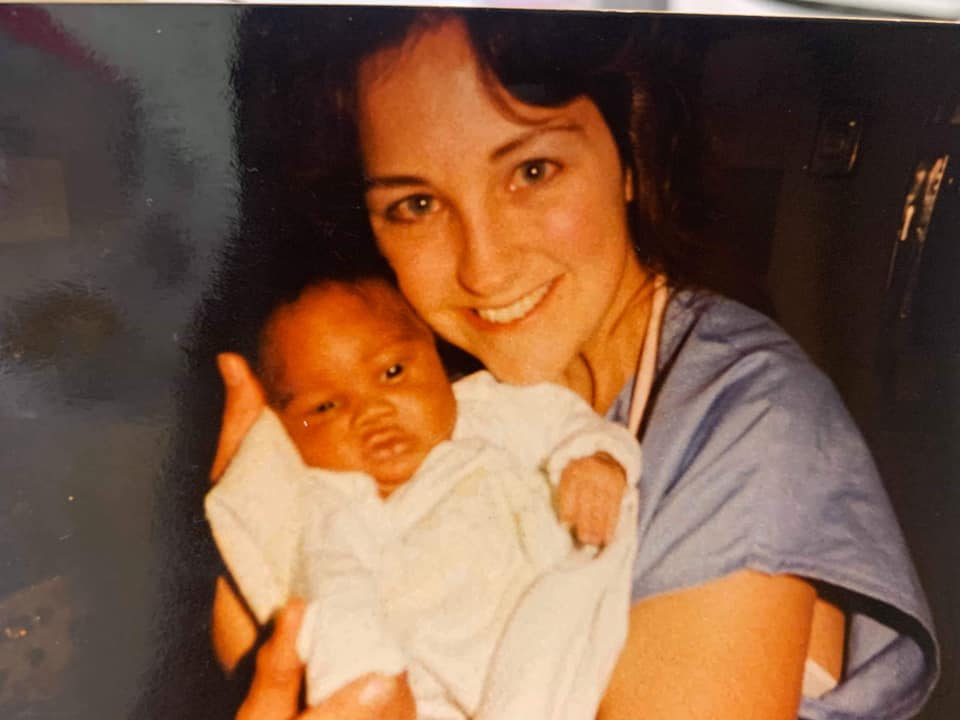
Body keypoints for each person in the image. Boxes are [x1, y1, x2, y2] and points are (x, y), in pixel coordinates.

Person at [209, 8, 938, 720]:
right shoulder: (444, 395)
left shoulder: (747, 424)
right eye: (417, 203)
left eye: (531, 169)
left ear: (630, 150)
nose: (485, 269)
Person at [206, 276, 642, 718]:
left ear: (435, 356)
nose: (372, 412)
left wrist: (596, 460)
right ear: (283, 431)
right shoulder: (334, 506)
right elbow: (338, 592)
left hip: (565, 629)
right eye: (325, 407)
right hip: (440, 693)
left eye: (392, 372)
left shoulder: (491, 411)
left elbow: (569, 423)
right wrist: (366, 677)